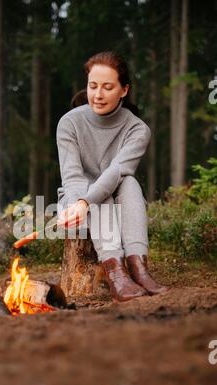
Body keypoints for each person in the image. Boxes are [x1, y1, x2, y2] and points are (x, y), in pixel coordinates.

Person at [56, 51, 170, 302]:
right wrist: (79, 204)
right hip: (77, 199)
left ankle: (138, 268)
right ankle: (116, 273)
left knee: (127, 182)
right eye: (93, 86)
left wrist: (88, 200)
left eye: (108, 87)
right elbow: (72, 177)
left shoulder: (138, 129)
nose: (97, 95)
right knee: (99, 195)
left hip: (114, 197)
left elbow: (117, 171)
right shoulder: (69, 123)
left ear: (124, 90)